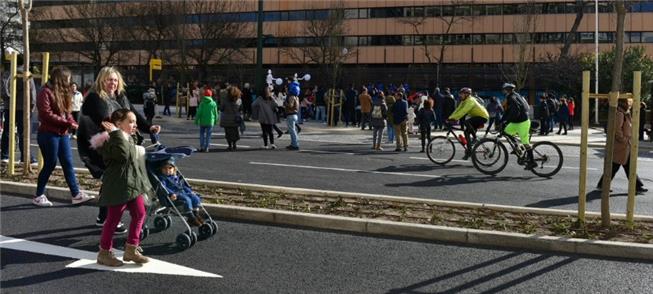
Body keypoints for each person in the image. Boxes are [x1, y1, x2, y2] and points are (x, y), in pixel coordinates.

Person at [78, 66, 161, 233]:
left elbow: (133, 114)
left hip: (120, 141)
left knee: (112, 178)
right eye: (109, 79)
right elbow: (105, 120)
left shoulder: (120, 96)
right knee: (114, 177)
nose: (112, 83)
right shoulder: (95, 98)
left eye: (115, 80)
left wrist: (148, 127)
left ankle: (104, 217)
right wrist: (116, 130)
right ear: (102, 80)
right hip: (103, 144)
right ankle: (110, 218)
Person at [92, 109, 151, 267]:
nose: (134, 124)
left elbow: (133, 151)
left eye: (134, 121)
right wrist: (117, 133)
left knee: (140, 213)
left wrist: (138, 131)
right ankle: (104, 253)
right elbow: (123, 155)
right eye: (130, 121)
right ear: (118, 124)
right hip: (117, 185)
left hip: (132, 184)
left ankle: (131, 249)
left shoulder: (127, 136)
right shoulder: (112, 139)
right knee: (113, 220)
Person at [32, 66, 94, 207]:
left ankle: (76, 194)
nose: (69, 80)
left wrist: (72, 122)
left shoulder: (63, 92)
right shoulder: (45, 92)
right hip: (48, 133)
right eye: (67, 78)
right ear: (60, 78)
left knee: (68, 163)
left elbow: (68, 113)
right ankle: (38, 195)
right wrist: (67, 123)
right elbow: (45, 114)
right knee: (50, 163)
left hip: (62, 133)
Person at [596, 99, 648, 194]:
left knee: (627, 166)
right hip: (621, 146)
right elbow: (617, 130)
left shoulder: (624, 113)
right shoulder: (620, 114)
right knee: (615, 166)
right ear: (623, 103)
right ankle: (602, 185)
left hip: (625, 146)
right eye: (628, 103)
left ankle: (637, 185)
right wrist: (623, 139)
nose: (630, 104)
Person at [1, 55, 37, 165]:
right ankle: (25, 157)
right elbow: (32, 92)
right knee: (24, 133)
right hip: (23, 107)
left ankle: (5, 155)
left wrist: (9, 98)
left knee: (7, 131)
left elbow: (3, 90)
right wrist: (32, 106)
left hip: (9, 107)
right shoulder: (27, 74)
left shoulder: (8, 73)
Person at [157, 159, 204, 226]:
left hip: (182, 192)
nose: (167, 170)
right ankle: (191, 218)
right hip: (175, 194)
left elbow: (183, 186)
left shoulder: (176, 177)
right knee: (186, 199)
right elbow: (164, 188)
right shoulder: (163, 178)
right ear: (161, 169)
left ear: (174, 169)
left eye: (170, 168)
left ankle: (195, 214)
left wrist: (190, 191)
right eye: (164, 168)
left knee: (195, 198)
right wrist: (170, 194)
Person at [501, 83, 537, 170]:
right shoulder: (513, 96)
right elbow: (508, 111)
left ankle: (532, 162)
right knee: (505, 131)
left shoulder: (512, 98)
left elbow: (515, 112)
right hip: (517, 121)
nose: (503, 91)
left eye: (504, 89)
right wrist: (502, 121)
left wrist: (507, 121)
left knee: (525, 143)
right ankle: (517, 146)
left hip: (522, 122)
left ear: (507, 90)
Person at [447, 87, 489, 160]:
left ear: (467, 94)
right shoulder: (464, 101)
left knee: (466, 122)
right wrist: (450, 118)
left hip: (482, 116)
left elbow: (463, 111)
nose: (460, 96)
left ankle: (475, 138)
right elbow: (458, 110)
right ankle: (469, 151)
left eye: (462, 94)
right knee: (466, 132)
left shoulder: (470, 100)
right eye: (460, 94)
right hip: (476, 117)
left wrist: (455, 118)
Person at [219, 86, 242, 151]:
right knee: (235, 132)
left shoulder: (225, 100)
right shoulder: (238, 100)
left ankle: (230, 145)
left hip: (226, 119)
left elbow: (221, 108)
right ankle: (234, 144)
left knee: (228, 133)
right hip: (235, 119)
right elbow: (240, 109)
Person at [195, 88, 218, 152]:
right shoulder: (213, 103)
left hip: (202, 121)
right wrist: (216, 120)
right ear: (211, 95)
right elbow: (216, 113)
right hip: (210, 121)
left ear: (204, 95)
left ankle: (202, 147)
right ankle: (207, 147)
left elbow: (199, 112)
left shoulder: (202, 103)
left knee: (202, 134)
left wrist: (196, 120)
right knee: (208, 135)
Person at [285, 81, 301, 150]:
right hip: (294, 114)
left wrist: (285, 103)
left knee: (292, 131)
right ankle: (294, 143)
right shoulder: (297, 97)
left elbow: (291, 105)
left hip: (291, 114)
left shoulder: (291, 96)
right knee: (293, 130)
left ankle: (294, 145)